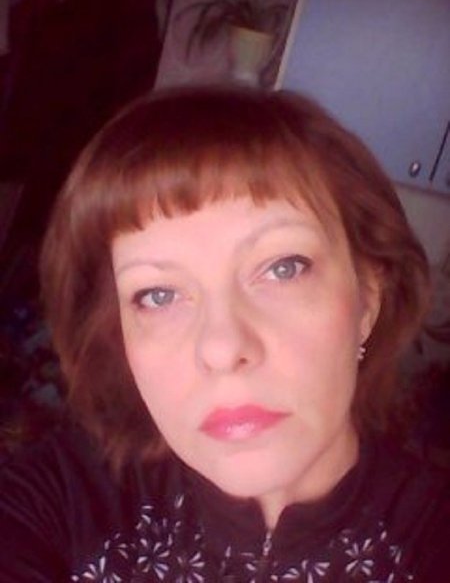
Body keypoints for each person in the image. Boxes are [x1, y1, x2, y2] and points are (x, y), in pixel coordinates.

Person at [0, 86, 448, 582]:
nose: (222, 347)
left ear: (367, 299)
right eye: (158, 295)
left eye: (283, 268)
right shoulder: (53, 500)